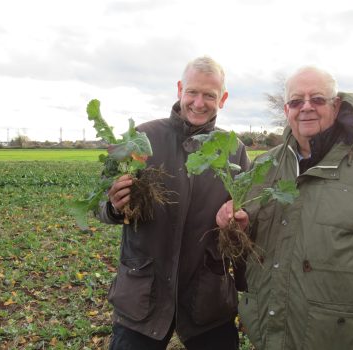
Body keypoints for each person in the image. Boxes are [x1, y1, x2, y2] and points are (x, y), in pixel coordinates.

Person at [216, 66, 353, 350]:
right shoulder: (265, 167)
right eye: (296, 101)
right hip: (273, 336)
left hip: (351, 339)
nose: (306, 107)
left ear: (336, 105)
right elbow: (248, 253)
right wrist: (234, 229)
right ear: (286, 110)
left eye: (317, 99)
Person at [97, 56, 250, 350]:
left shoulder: (234, 149)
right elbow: (100, 206)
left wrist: (239, 222)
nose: (199, 102)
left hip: (207, 299)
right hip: (143, 296)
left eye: (210, 95)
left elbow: (247, 213)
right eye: (192, 92)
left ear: (224, 99)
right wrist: (115, 207)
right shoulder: (142, 138)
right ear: (180, 89)